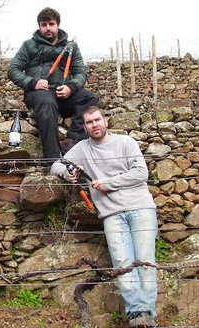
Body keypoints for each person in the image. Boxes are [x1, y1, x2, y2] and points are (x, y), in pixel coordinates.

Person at [51, 106, 157, 328]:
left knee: (145, 260)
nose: (94, 125)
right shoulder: (82, 148)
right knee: (122, 262)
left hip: (141, 208)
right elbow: (56, 166)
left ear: (105, 120)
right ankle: (137, 314)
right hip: (111, 214)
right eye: (89, 122)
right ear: (85, 126)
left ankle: (148, 314)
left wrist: (108, 183)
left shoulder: (125, 142)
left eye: (97, 120)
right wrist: (70, 172)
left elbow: (141, 173)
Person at [8, 7, 98, 161]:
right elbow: (13, 70)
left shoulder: (71, 47)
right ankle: (53, 160)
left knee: (89, 98)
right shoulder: (29, 45)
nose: (48, 28)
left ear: (58, 25)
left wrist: (71, 87)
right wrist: (32, 83)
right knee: (47, 103)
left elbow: (80, 72)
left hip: (63, 92)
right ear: (39, 26)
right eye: (44, 24)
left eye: (51, 24)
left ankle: (73, 141)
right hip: (39, 93)